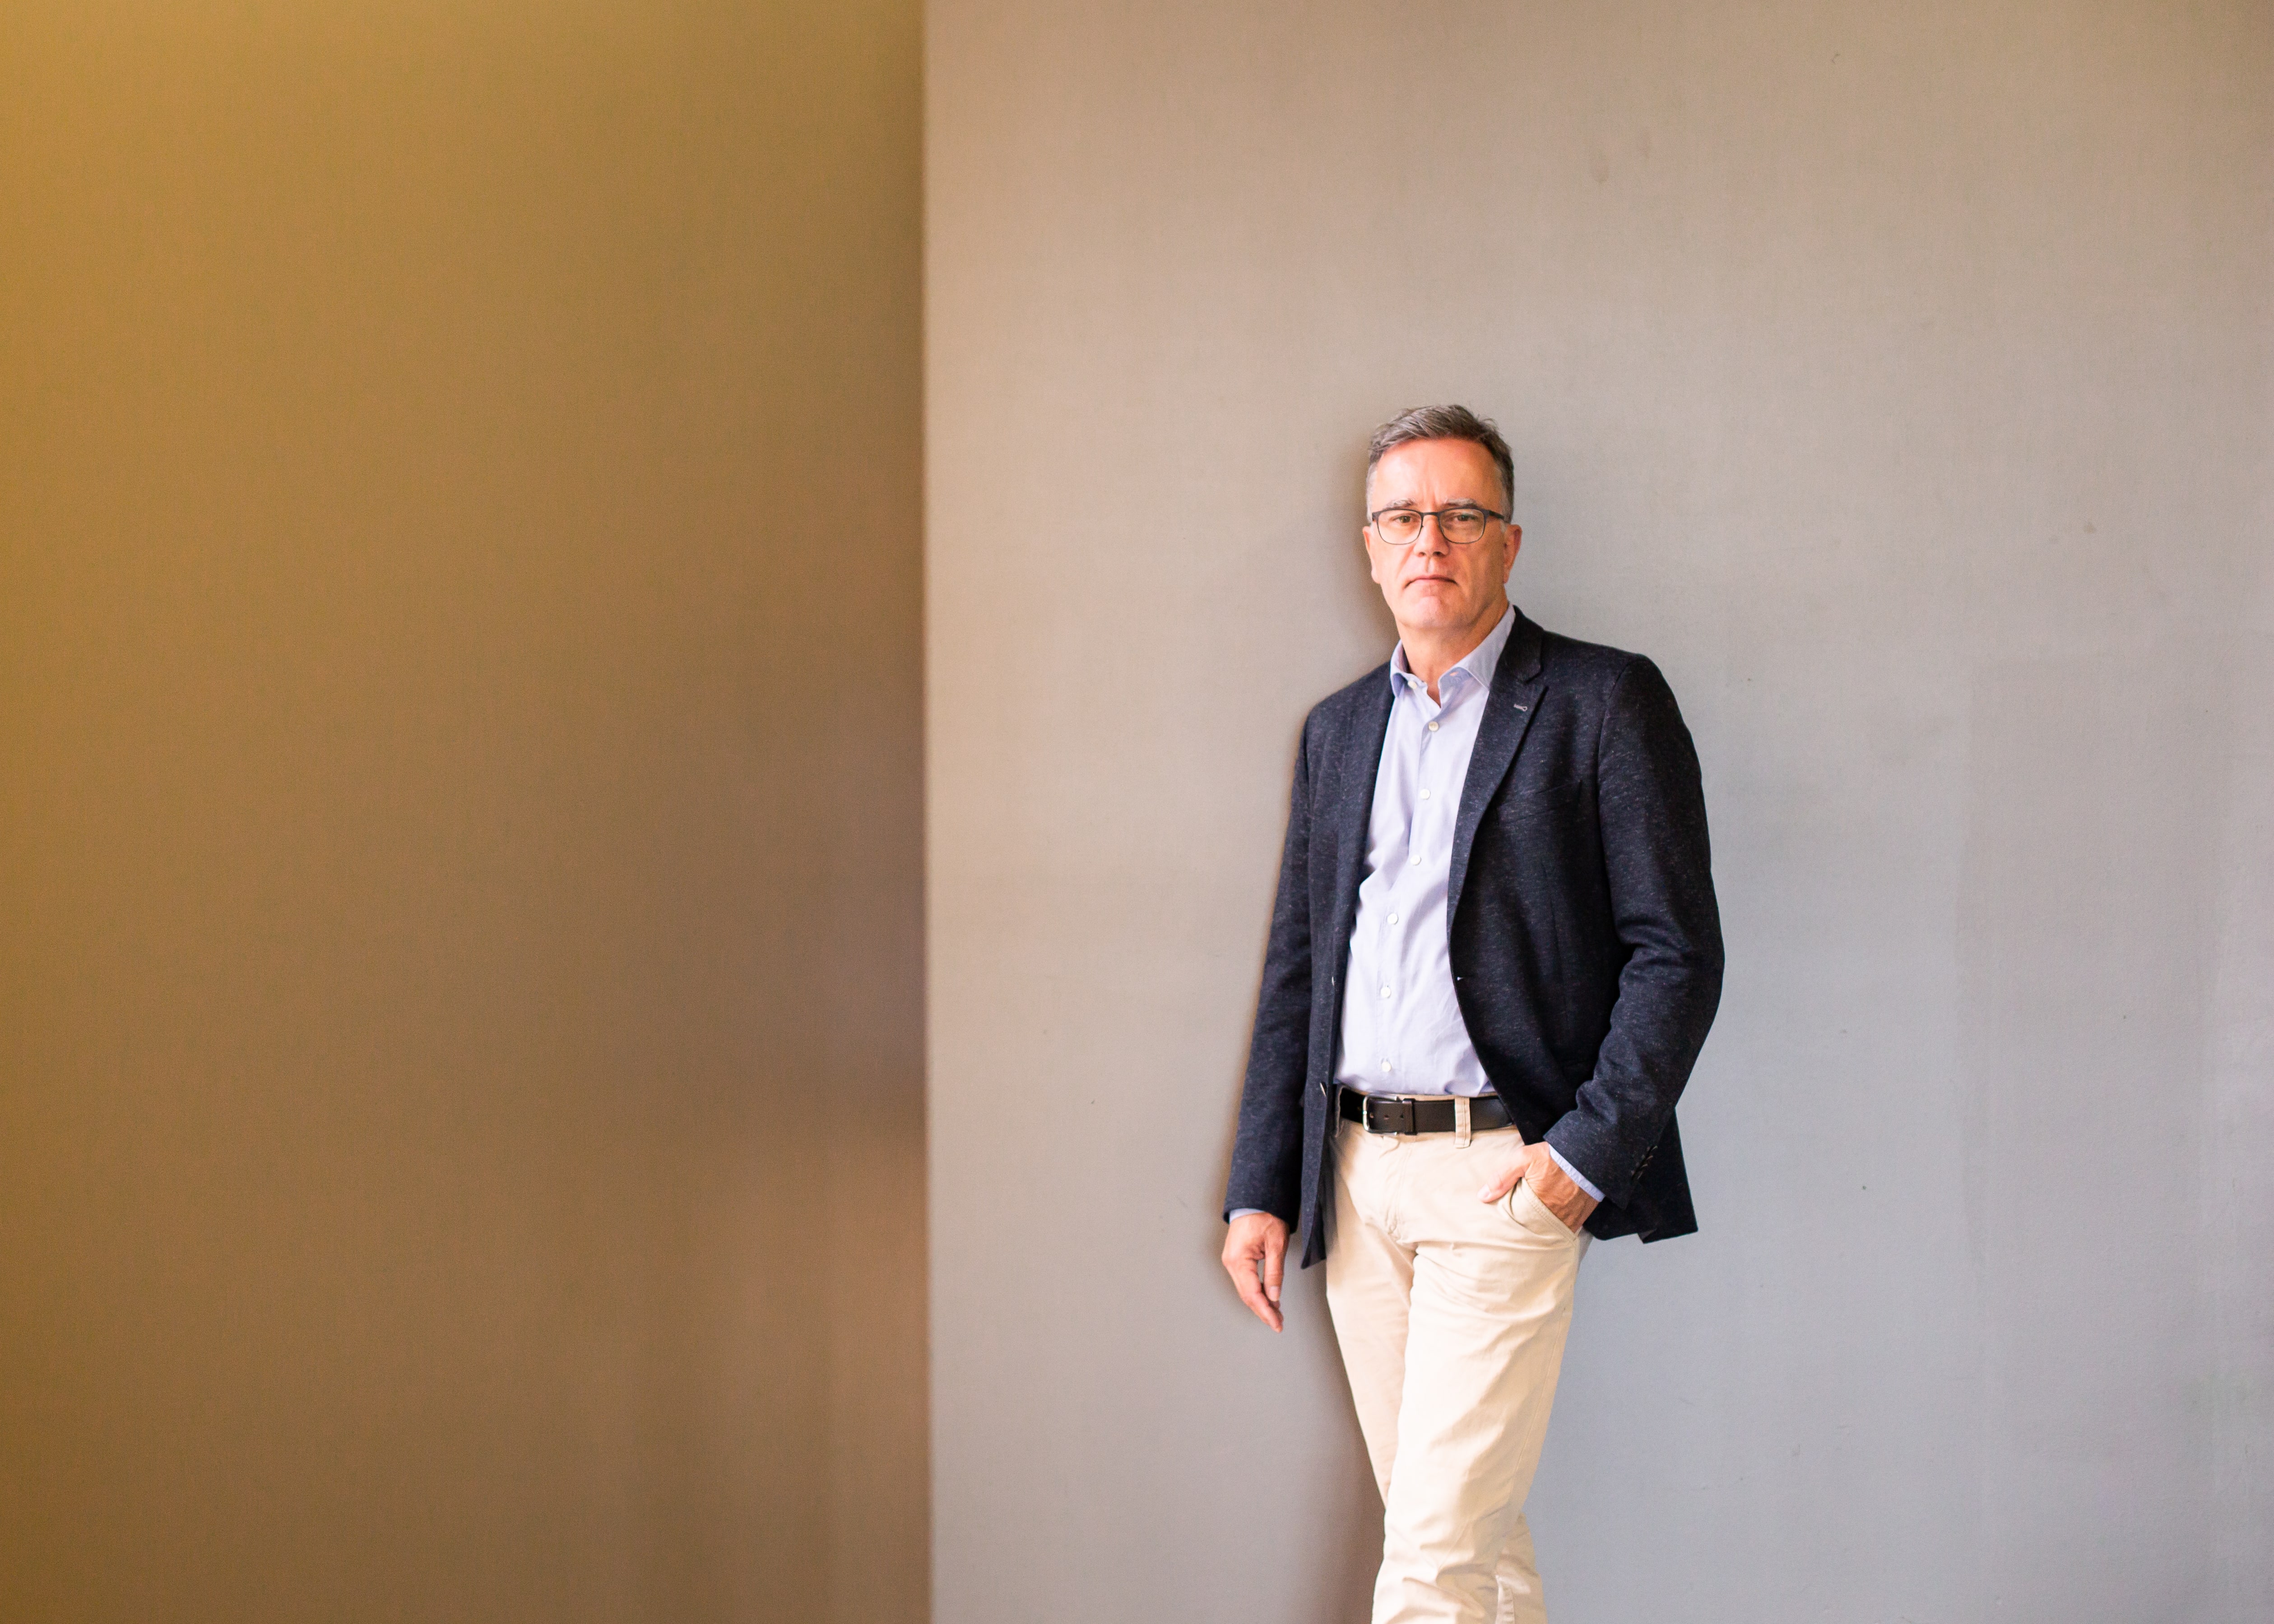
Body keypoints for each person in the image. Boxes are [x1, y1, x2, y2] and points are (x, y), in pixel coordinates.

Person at [1221, 405, 1723, 1624]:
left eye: (1461, 515)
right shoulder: (1340, 730)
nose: (1428, 540)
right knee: (1469, 1546)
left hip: (1504, 1175)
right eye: (1402, 516)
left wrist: (1582, 1159)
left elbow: (1677, 952)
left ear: (1509, 542)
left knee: (1432, 1564)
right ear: (1369, 545)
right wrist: (1262, 1185)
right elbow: (1299, 968)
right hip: (1356, 1179)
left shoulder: (1604, 701)